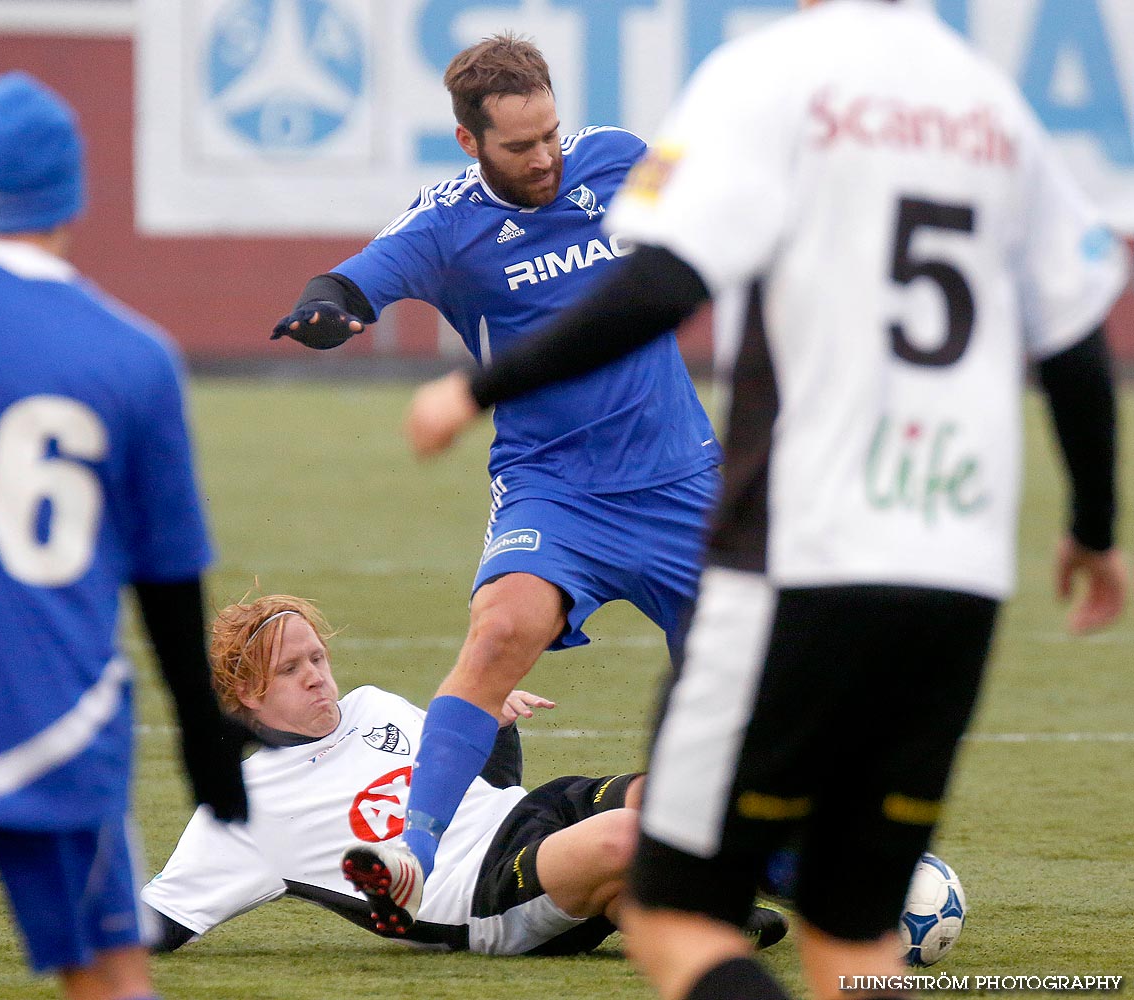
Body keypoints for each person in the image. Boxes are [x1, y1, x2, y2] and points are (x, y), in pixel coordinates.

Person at [403, 2, 1131, 999]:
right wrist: (1095, 527)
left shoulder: (764, 78)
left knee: (670, 910)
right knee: (852, 937)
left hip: (801, 557)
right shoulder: (989, 106)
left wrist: (472, 388)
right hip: (957, 574)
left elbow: (659, 283)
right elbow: (1079, 347)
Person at [270, 33, 723, 929]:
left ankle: (780, 858)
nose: (547, 157)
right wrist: (327, 309)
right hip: (554, 489)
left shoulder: (618, 160)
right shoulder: (445, 225)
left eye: (551, 132)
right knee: (501, 626)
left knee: (734, 690)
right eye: (521, 145)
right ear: (469, 142)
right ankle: (414, 855)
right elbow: (355, 282)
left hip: (681, 483)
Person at [0, 72, 253, 1000]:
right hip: (59, 709)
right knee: (113, 977)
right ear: (73, 194)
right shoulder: (131, 354)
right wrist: (206, 743)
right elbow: (171, 577)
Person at [141, 594, 789, 955]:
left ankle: (678, 909)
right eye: (290, 670)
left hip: (521, 817)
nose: (316, 674)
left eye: (317, 656)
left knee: (670, 794)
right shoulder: (242, 804)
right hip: (479, 898)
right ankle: (709, 907)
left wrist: (498, 729)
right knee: (625, 837)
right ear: (247, 695)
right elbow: (159, 919)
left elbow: (489, 787)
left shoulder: (374, 706)